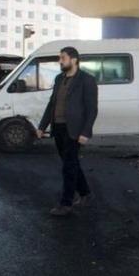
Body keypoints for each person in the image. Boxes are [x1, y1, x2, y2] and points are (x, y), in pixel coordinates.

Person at [37, 47, 98, 216]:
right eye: (60, 58)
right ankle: (85, 193)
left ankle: (66, 204)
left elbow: (92, 109)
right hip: (58, 128)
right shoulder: (59, 79)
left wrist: (86, 132)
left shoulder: (86, 80)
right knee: (71, 164)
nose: (60, 61)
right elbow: (52, 104)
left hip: (75, 130)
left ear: (74, 60)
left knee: (68, 167)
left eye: (62, 58)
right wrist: (42, 126)